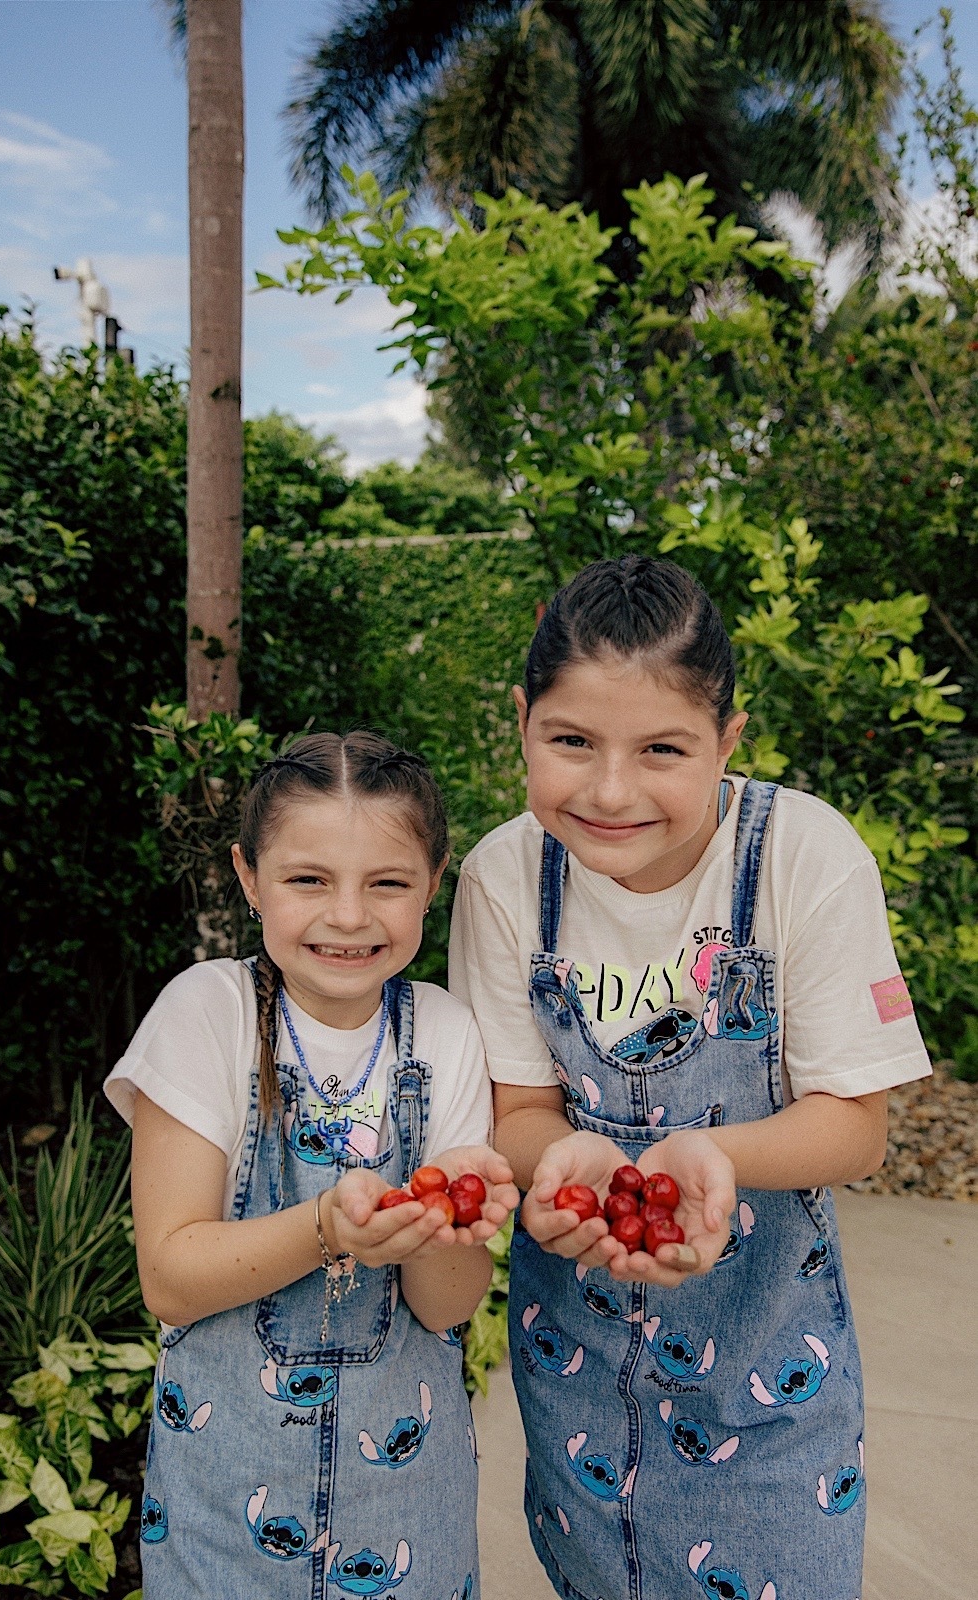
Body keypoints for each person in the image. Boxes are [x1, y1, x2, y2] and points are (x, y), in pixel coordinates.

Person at [449, 556, 931, 1600]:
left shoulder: (801, 855)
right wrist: (566, 1163)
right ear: (520, 719)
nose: (609, 789)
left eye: (661, 749)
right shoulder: (500, 876)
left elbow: (851, 1124)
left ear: (726, 740)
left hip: (768, 1355)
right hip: (570, 1347)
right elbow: (521, 1112)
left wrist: (710, 1155)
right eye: (569, 740)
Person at [106, 731, 517, 1600]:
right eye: (307, 880)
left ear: (432, 885)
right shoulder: (206, 1014)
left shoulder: (443, 1033)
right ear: (249, 876)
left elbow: (445, 1304)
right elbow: (171, 1278)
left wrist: (443, 1225)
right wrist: (327, 1224)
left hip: (405, 1505)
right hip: (227, 1500)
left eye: (388, 883)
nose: (348, 916)